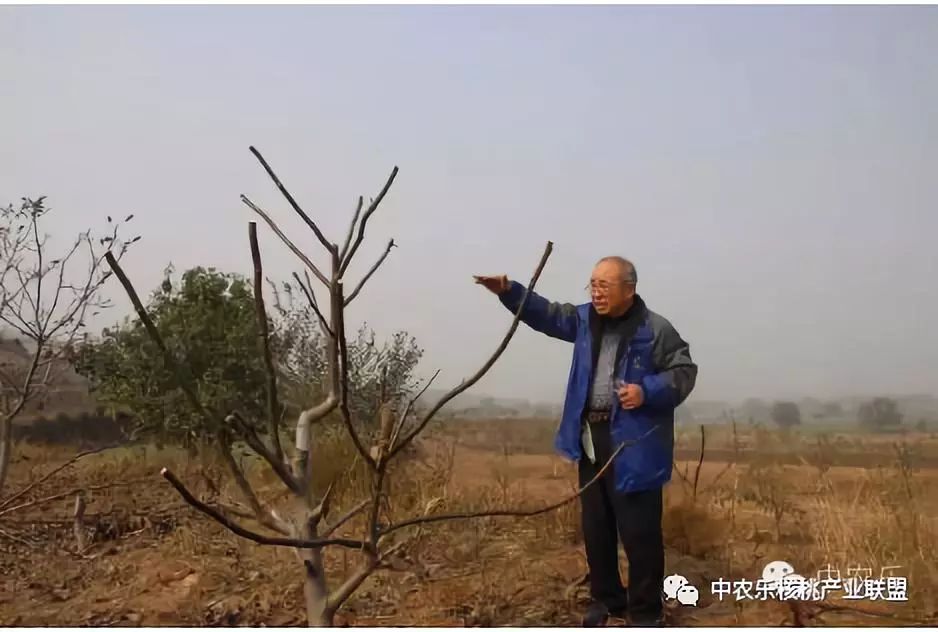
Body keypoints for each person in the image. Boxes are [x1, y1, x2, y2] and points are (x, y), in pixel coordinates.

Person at [474, 256, 697, 627]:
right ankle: (607, 599)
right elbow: (547, 315)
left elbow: (684, 371)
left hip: (634, 445)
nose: (596, 291)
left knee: (640, 534)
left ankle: (645, 613)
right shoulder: (582, 321)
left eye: (604, 285)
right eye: (592, 284)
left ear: (630, 289)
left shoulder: (655, 329)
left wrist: (647, 391)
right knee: (597, 527)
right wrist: (510, 292)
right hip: (591, 439)